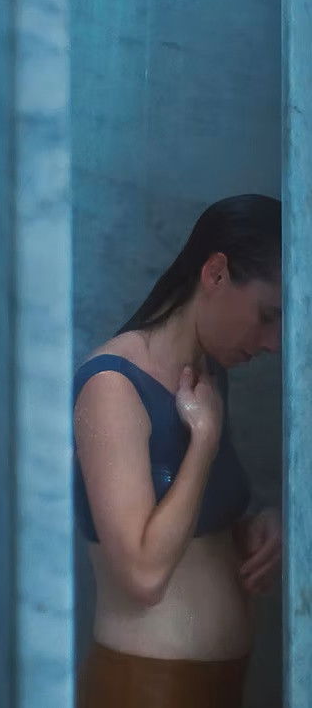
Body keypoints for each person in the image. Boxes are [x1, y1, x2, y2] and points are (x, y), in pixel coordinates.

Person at [73, 194, 283, 708]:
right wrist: (203, 442)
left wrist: (255, 529)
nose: (275, 343)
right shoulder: (111, 386)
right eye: (267, 315)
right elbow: (143, 577)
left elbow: (191, 530)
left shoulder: (208, 377)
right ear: (215, 273)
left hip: (219, 683)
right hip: (145, 688)